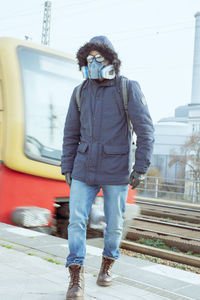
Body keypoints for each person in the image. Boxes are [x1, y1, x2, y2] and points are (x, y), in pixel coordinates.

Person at [61, 35, 154, 300]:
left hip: (116, 170)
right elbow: (70, 134)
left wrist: (141, 166)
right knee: (76, 221)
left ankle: (106, 266)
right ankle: (76, 277)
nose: (93, 64)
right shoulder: (80, 92)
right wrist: (67, 165)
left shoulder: (127, 88)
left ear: (110, 59)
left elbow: (146, 131)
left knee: (114, 225)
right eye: (88, 59)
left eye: (98, 58)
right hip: (83, 168)